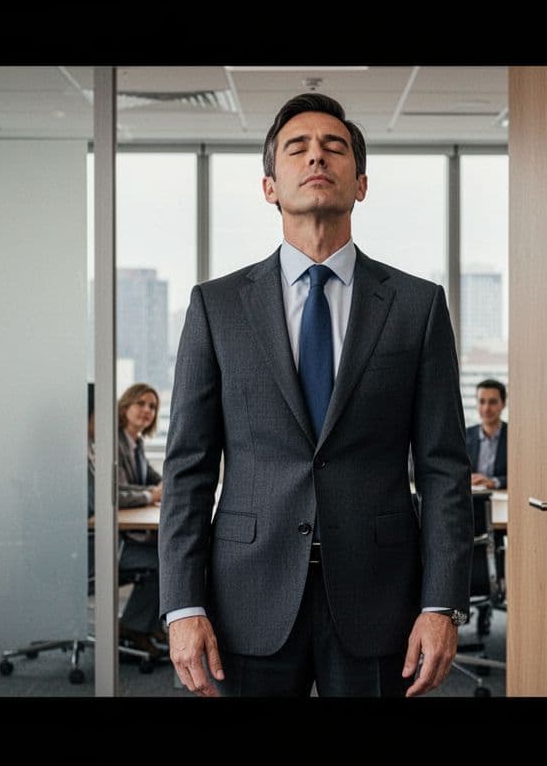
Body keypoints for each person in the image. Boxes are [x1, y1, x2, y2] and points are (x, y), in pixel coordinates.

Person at [159, 93, 473, 698]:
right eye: (296, 148)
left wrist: (442, 605)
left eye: (335, 147)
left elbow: (443, 468)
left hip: (381, 595)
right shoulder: (217, 306)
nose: (316, 157)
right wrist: (181, 606)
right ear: (270, 185)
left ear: (360, 183)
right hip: (245, 595)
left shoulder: (416, 306)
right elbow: (189, 467)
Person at [113, 383, 166, 655]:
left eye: (153, 406)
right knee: (165, 559)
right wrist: (150, 495)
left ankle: (147, 625)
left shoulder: (136, 443)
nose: (147, 410)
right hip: (113, 544)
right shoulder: (113, 441)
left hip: (128, 537)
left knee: (171, 551)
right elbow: (116, 492)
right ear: (126, 406)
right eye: (141, 403)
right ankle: (134, 628)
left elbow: (155, 481)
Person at [466, 379, 508, 490]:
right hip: (472, 499)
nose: (486, 408)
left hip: (502, 499)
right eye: (482, 401)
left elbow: (522, 473)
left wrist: (494, 482)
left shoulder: (513, 436)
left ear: (503, 404)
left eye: (493, 402)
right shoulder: (465, 435)